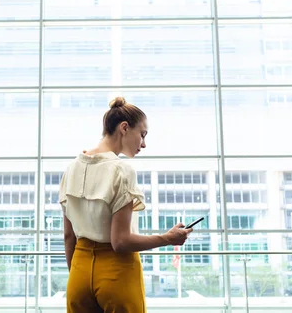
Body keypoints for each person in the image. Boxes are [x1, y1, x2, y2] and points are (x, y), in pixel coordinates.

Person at [60, 96, 193, 313]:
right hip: (117, 271)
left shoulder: (72, 168)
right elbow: (120, 242)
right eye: (142, 134)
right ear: (124, 128)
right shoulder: (121, 170)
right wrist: (168, 238)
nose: (143, 143)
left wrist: (77, 273)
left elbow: (68, 236)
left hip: (78, 271)